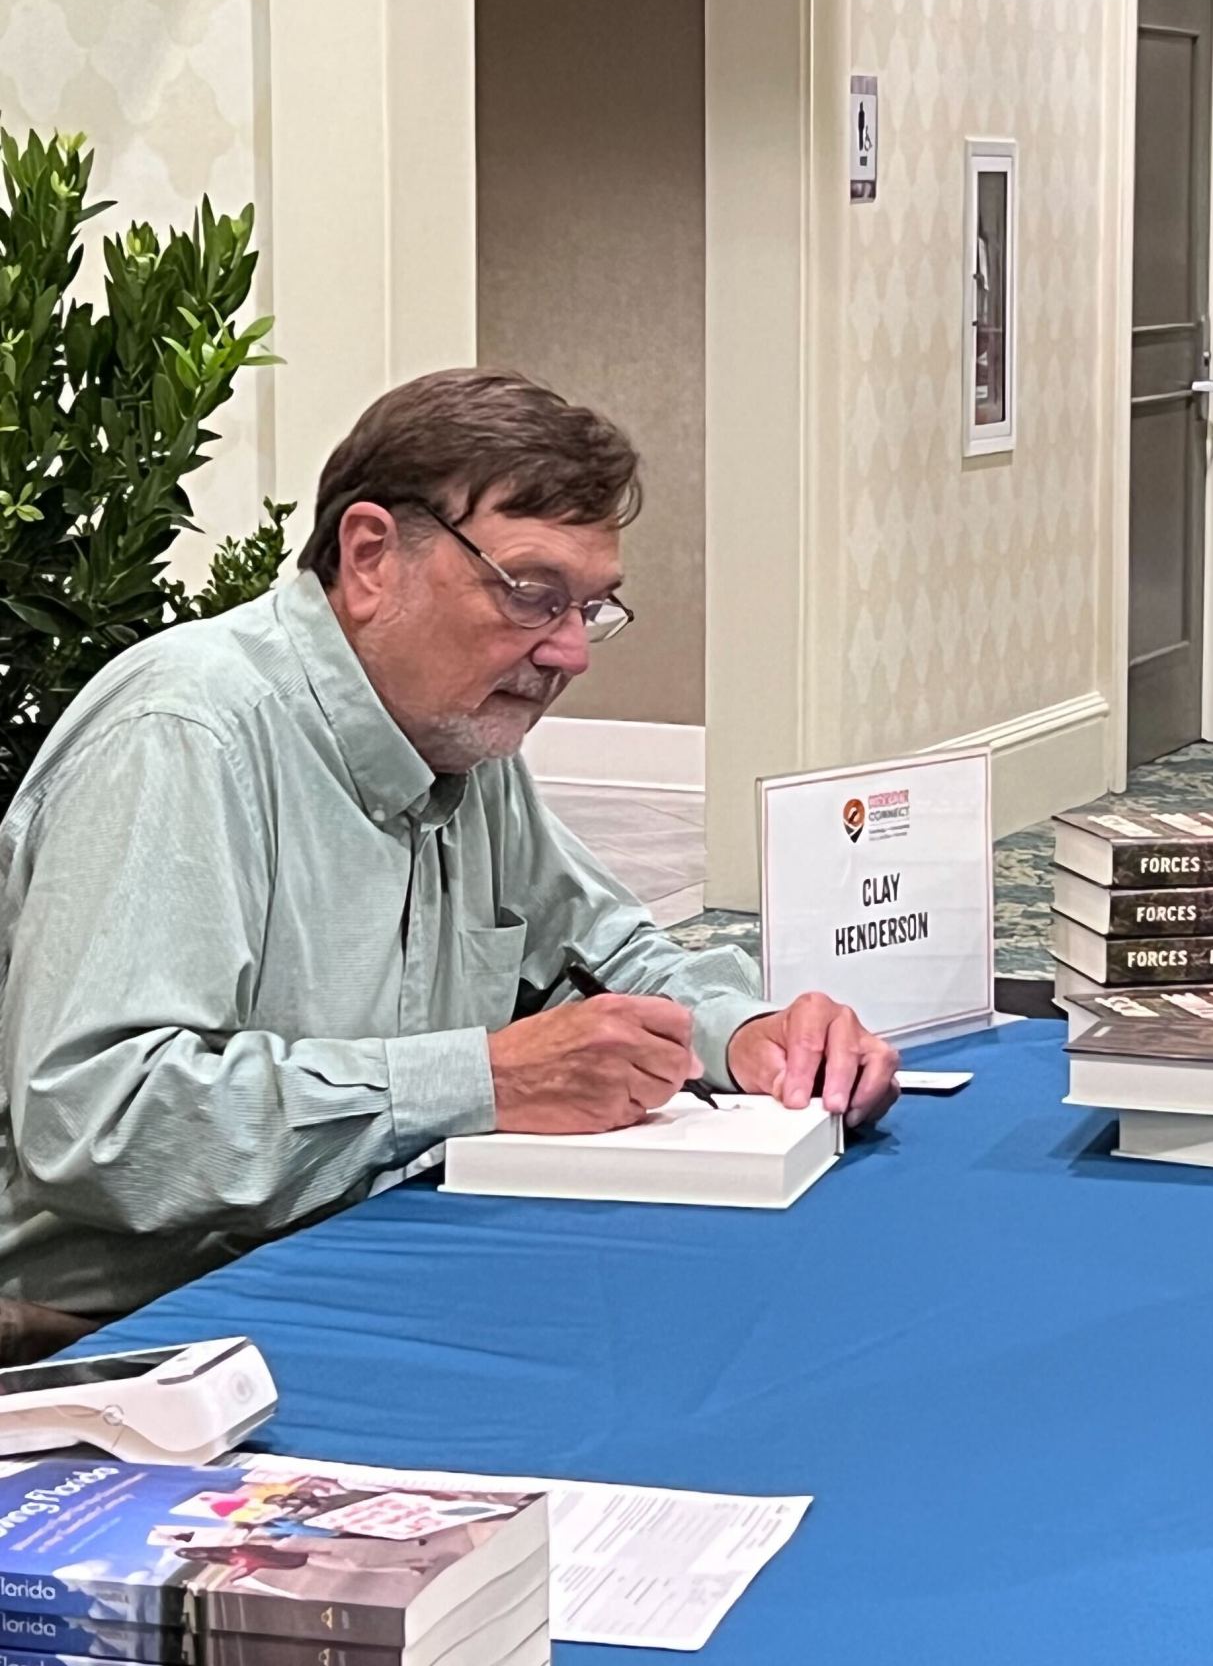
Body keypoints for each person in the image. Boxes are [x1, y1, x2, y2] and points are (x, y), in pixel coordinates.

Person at [0, 370, 899, 1356]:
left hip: (360, 1250)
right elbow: (99, 1118)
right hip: (122, 1334)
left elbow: (607, 952)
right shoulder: (183, 735)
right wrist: (479, 1077)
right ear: (371, 555)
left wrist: (753, 1034)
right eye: (529, 591)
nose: (569, 653)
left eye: (590, 607)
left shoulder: (458, 733)